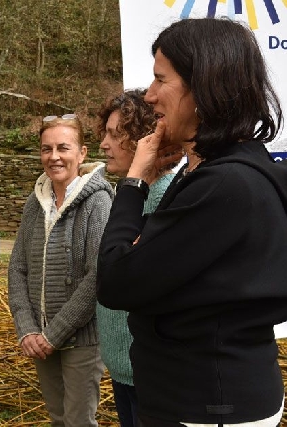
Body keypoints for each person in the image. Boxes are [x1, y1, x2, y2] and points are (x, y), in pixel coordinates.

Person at [96, 18, 287, 426]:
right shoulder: (229, 171)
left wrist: (134, 184)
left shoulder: (225, 185)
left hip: (208, 405)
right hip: (204, 397)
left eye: (159, 80)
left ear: (203, 88)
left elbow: (116, 281)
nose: (148, 96)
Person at [8, 113, 113, 426]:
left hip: (82, 340)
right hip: (40, 337)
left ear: (81, 153)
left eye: (63, 148)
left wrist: (53, 334)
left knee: (79, 421)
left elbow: (98, 276)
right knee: (57, 418)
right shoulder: (35, 202)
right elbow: (17, 268)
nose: (54, 157)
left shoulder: (98, 202)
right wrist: (27, 328)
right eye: (46, 149)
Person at [96, 89, 178, 427]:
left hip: (153, 375)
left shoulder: (168, 199)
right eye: (105, 133)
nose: (103, 144)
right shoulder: (127, 195)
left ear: (147, 141)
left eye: (116, 135)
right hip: (123, 367)